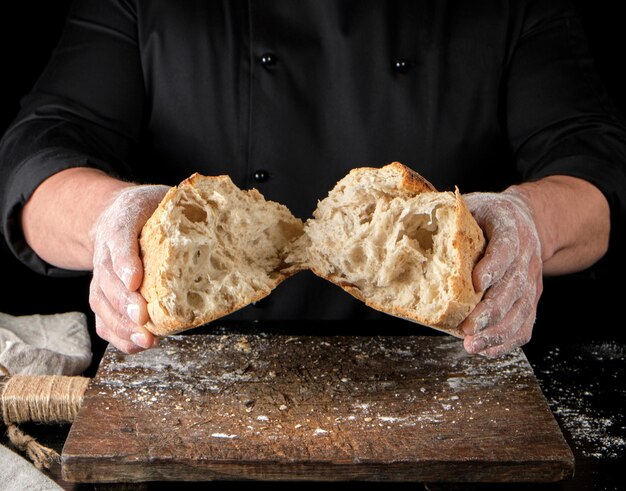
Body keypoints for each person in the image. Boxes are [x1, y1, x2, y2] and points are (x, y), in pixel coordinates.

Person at [0, 0, 624, 358]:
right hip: (200, 383)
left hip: (451, 368)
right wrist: (108, 215)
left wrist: (529, 222)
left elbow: (596, 165)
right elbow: (38, 155)